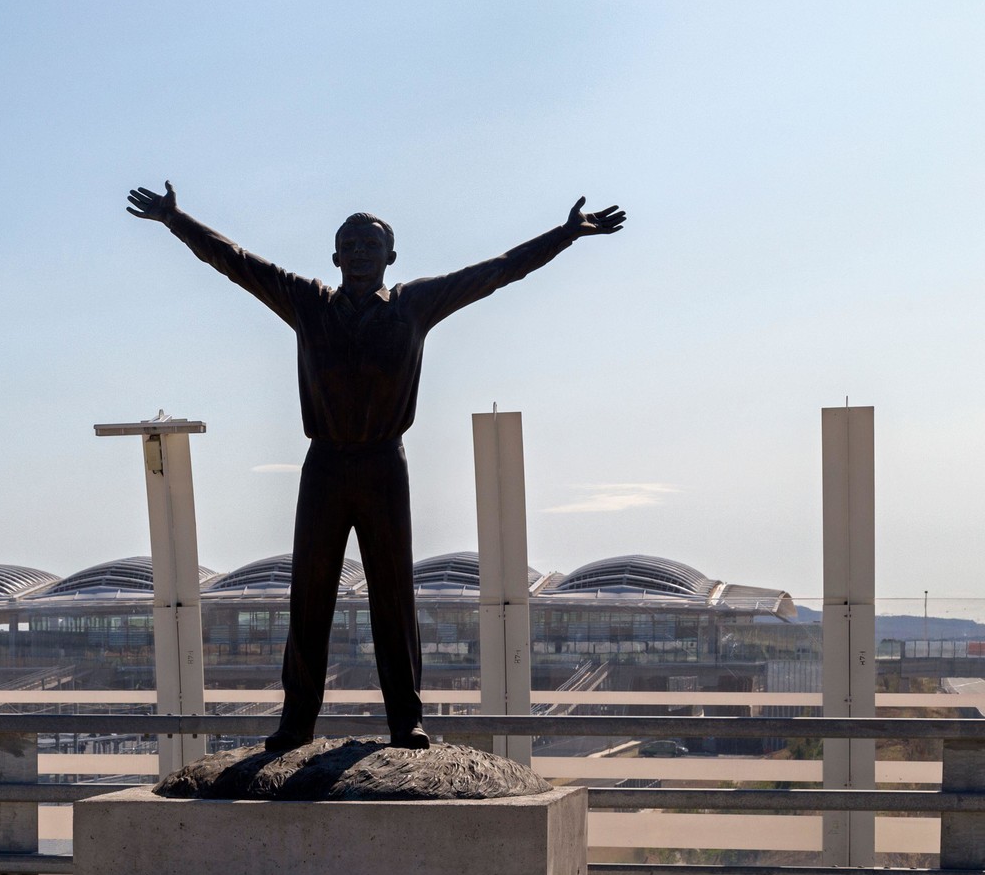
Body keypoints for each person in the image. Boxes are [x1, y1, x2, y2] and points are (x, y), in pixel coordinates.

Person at [127, 182, 625, 750]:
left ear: (391, 257)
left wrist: (565, 235)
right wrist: (176, 219)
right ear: (335, 256)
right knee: (308, 596)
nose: (360, 252)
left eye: (371, 244)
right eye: (350, 244)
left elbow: (500, 270)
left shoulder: (415, 305)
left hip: (384, 465)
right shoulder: (307, 302)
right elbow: (235, 262)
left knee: (394, 596)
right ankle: (296, 722)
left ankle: (405, 720)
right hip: (326, 466)